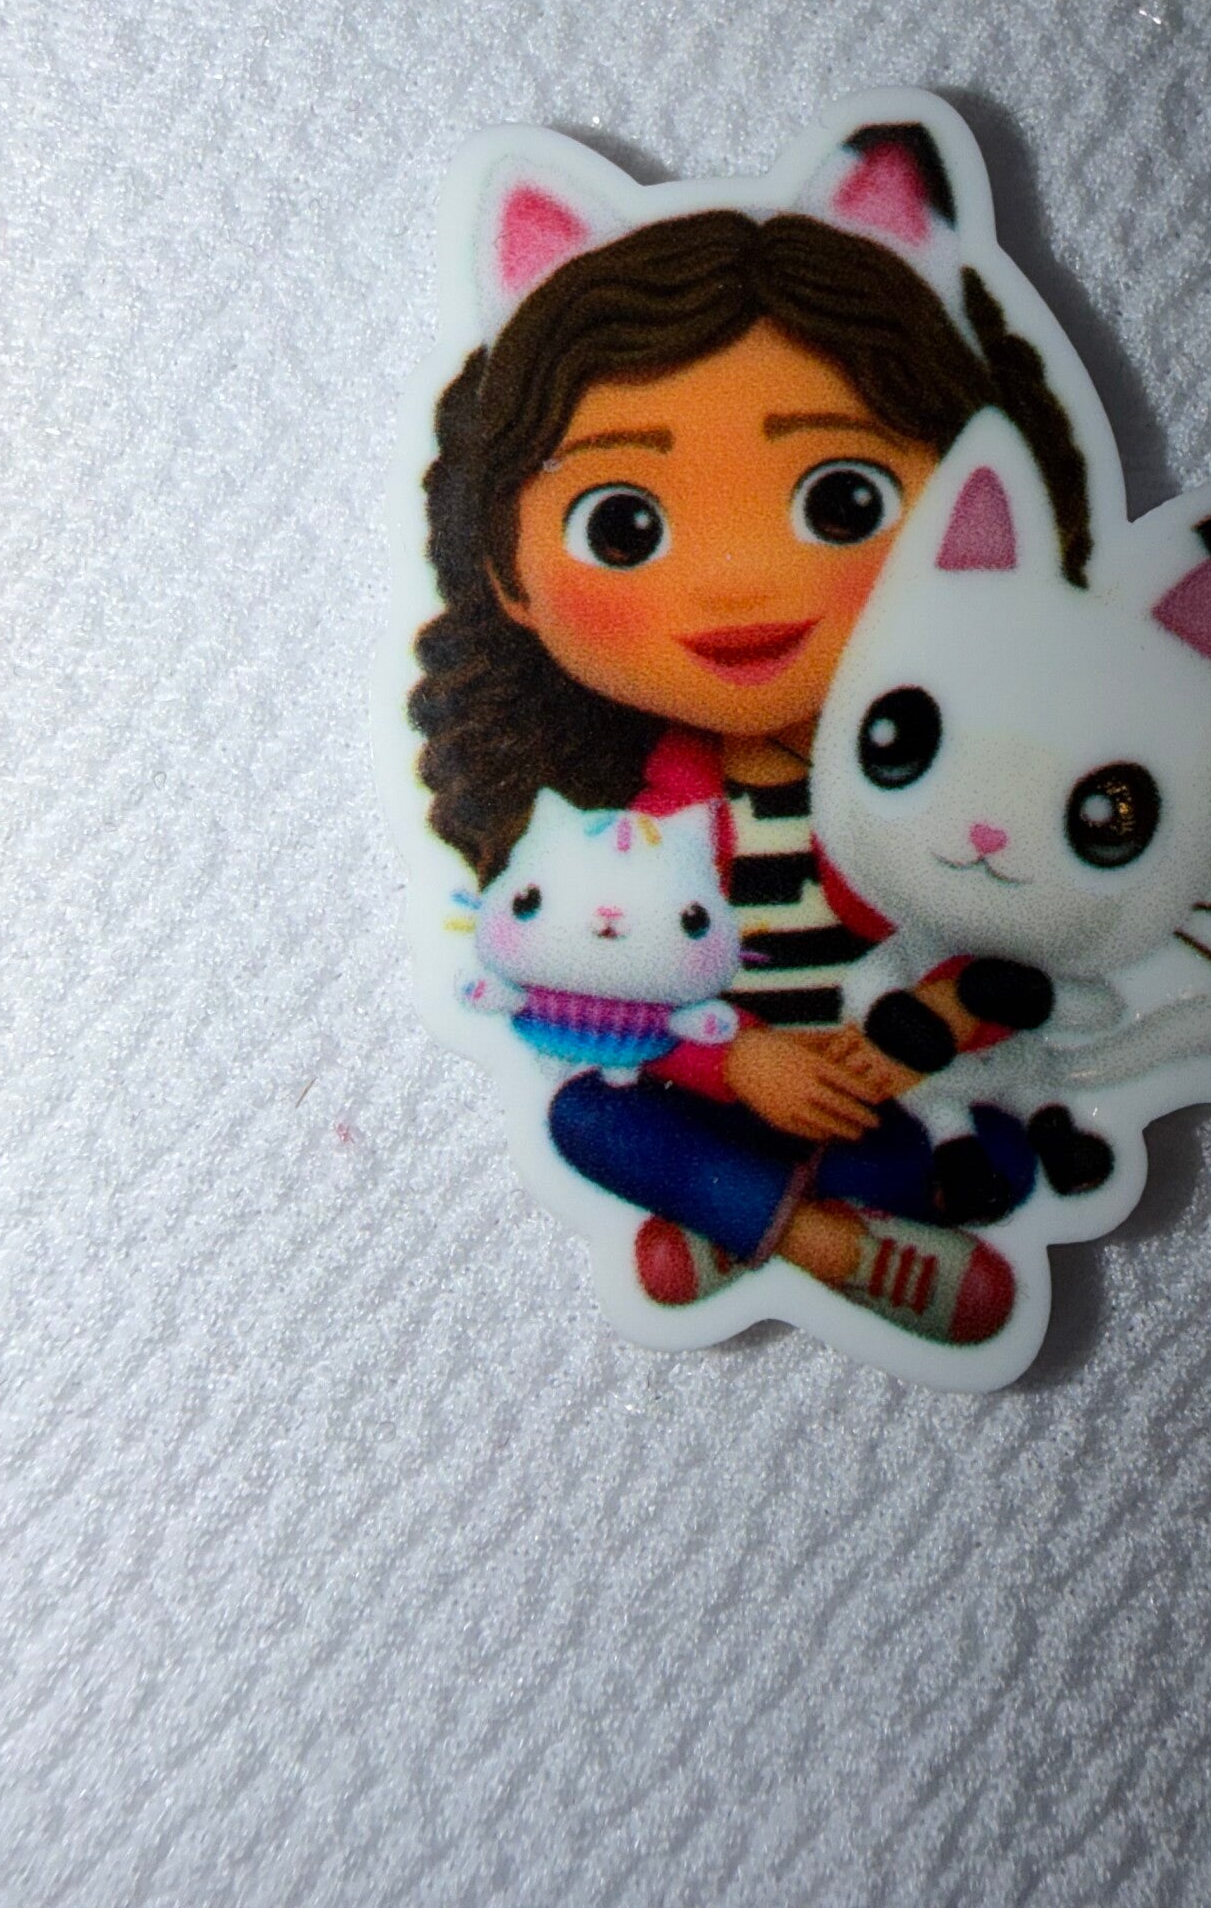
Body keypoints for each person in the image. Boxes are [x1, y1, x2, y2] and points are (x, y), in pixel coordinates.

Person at [409, 143, 1093, 1348]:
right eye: (625, 524)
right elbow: (607, 995)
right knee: (591, 1118)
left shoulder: (949, 780)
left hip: (889, 1099)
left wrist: (915, 1040)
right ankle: (834, 1245)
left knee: (962, 1148)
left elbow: (1006, 947)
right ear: (503, 565)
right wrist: (744, 1069)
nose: (737, 581)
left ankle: (744, 1223)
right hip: (729, 1094)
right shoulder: (621, 820)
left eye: (842, 503)